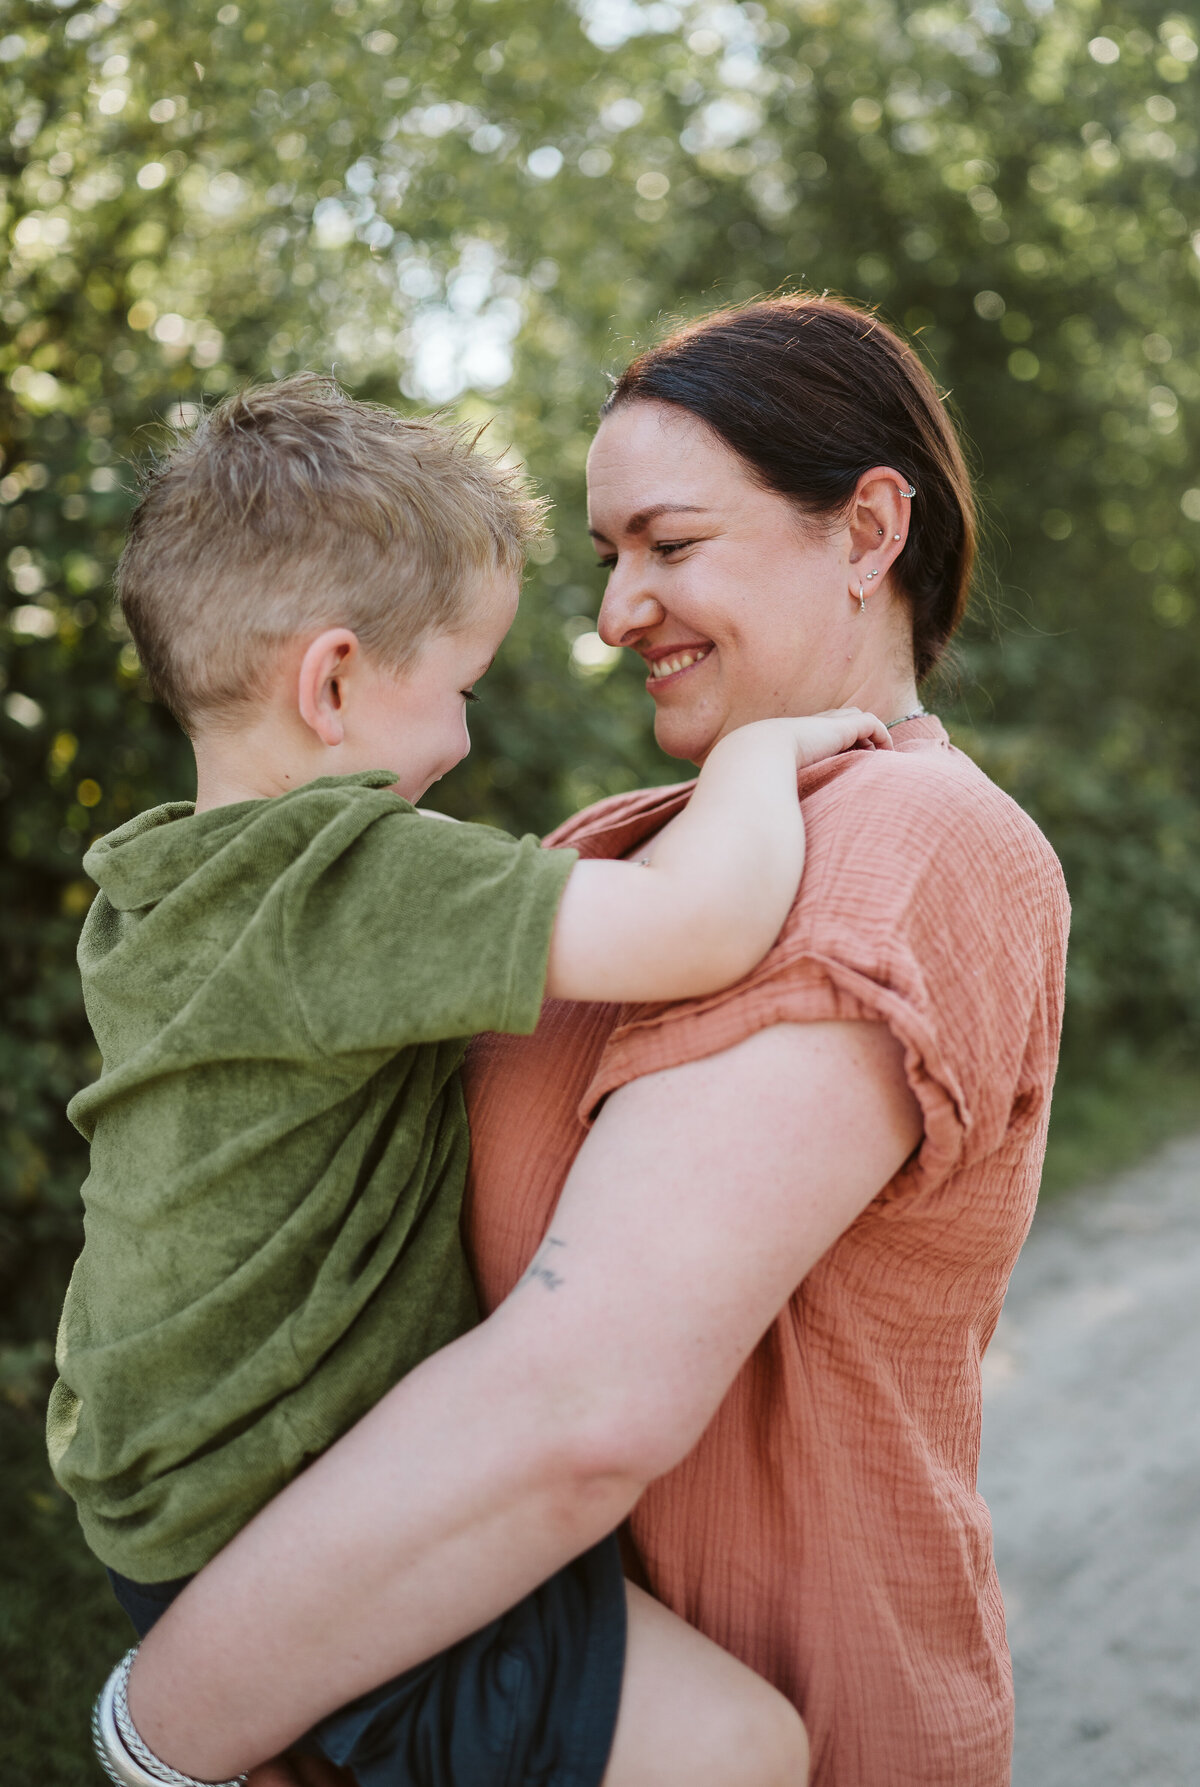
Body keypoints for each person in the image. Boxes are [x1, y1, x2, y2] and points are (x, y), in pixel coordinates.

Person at [116, 296, 1070, 1787]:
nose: (619, 611)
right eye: (611, 557)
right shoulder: (618, 848)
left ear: (869, 534)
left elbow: (580, 1410)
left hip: (786, 1719)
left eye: (669, 546)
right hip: (460, 1690)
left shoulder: (909, 835)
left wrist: (157, 1728)